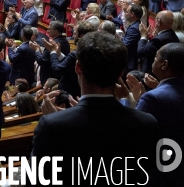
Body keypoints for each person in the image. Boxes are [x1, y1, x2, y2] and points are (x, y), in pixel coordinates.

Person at [32, 32, 159, 185]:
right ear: (120, 73)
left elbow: (37, 180)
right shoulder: (147, 123)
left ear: (77, 67)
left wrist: (54, 121)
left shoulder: (51, 126)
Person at [135, 43, 184, 185]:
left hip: (160, 172)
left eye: (156, 57)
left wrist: (129, 100)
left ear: (164, 65)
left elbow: (136, 134)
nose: (153, 60)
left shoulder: (152, 98)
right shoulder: (156, 94)